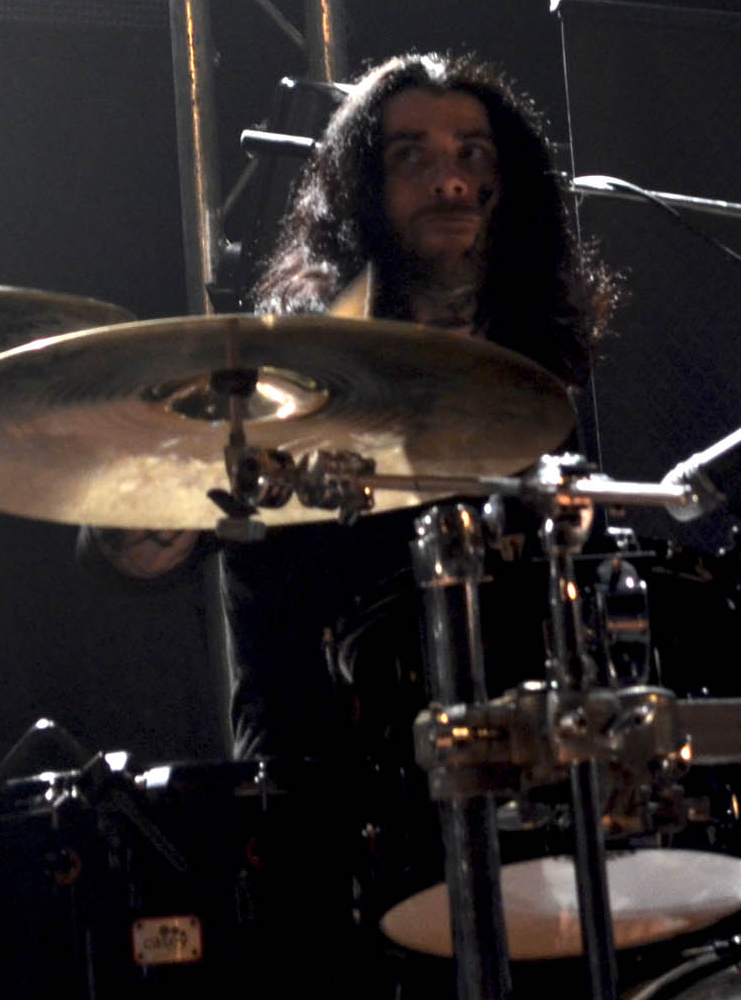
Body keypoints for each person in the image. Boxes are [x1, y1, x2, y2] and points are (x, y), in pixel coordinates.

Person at [224, 48, 619, 760]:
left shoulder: (528, 380)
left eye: (473, 153)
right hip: (340, 774)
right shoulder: (296, 382)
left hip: (533, 763)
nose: (450, 180)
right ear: (361, 192)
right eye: (411, 156)